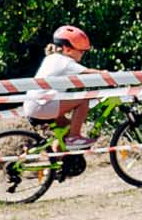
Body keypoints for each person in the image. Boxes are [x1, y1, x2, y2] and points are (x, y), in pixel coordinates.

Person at [20, 24, 98, 171]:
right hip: (42, 105)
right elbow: (90, 74)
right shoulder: (64, 61)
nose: (83, 55)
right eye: (81, 51)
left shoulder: (52, 58)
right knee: (83, 100)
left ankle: (54, 165)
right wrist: (110, 75)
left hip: (35, 104)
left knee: (66, 129)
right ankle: (74, 139)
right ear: (67, 49)